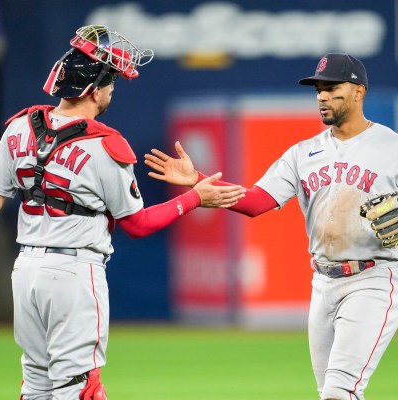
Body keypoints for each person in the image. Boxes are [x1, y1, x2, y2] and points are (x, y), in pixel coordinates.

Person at [0, 25, 246, 400]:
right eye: (111, 82)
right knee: (78, 388)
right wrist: (194, 198)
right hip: (73, 274)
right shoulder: (105, 144)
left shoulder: (18, 127)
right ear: (94, 90)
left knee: (36, 384)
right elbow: (139, 224)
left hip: (25, 272)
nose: (113, 89)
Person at [144, 52, 398, 400]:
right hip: (323, 284)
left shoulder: (390, 147)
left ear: (358, 91)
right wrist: (197, 180)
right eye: (318, 90)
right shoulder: (303, 153)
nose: (322, 96)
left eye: (332, 88)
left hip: (373, 279)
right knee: (331, 392)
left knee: (340, 392)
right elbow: (255, 202)